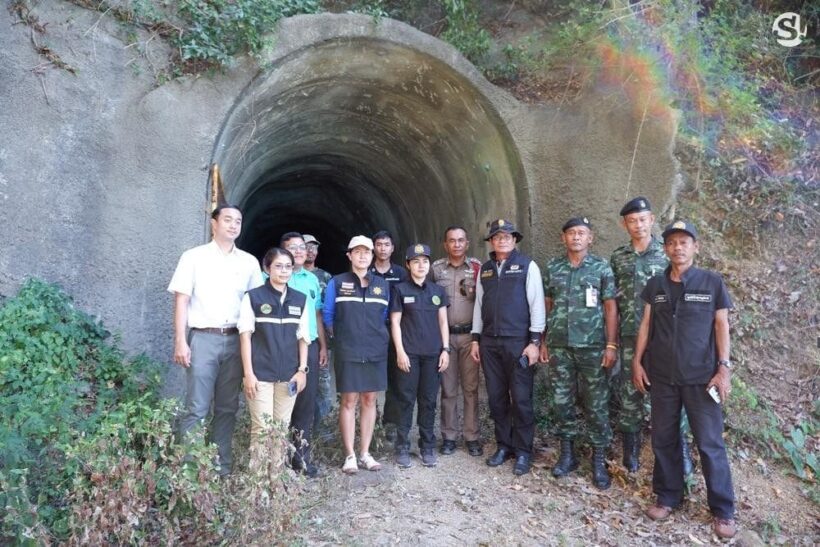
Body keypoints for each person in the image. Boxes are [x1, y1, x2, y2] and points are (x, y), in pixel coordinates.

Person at [632, 220, 736, 540]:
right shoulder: (656, 284)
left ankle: (723, 510)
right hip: (662, 376)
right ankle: (667, 496)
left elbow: (721, 327)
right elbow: (646, 325)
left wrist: (723, 368)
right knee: (663, 438)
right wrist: (637, 361)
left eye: (684, 242)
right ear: (665, 248)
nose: (678, 247)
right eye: (672, 242)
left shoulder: (711, 283)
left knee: (709, 443)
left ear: (695, 247)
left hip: (701, 378)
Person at [167, 204, 263, 476]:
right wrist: (180, 341)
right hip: (203, 339)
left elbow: (255, 304)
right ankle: (191, 471)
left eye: (238, 221)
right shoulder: (194, 257)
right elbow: (182, 300)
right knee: (196, 407)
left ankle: (221, 468)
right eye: (228, 220)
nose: (233, 225)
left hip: (235, 340)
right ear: (214, 223)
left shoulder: (249, 262)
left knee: (227, 407)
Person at [610, 197, 693, 474]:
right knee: (629, 391)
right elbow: (612, 300)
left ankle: (679, 449)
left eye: (642, 219)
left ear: (652, 220)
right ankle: (630, 450)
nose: (638, 225)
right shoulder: (618, 256)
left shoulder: (666, 253)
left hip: (664, 338)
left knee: (670, 392)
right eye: (632, 221)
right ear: (625, 224)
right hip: (630, 335)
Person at [541, 216, 617, 489]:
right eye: (571, 233)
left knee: (596, 403)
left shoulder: (601, 268)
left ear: (590, 238)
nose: (575, 237)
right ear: (563, 238)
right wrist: (544, 340)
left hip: (593, 348)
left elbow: (610, 307)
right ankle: (568, 453)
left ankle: (598, 459)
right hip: (560, 346)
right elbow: (547, 305)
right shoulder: (553, 268)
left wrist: (611, 344)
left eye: (581, 233)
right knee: (562, 401)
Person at [470, 219, 545, 476]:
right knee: (497, 398)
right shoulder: (486, 270)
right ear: (491, 241)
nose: (502, 240)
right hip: (490, 343)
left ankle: (524, 451)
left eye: (507, 236)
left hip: (518, 342)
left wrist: (535, 342)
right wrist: (475, 339)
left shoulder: (527, 266)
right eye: (497, 237)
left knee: (522, 399)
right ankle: (504, 445)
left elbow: (537, 304)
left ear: (515, 240)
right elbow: (479, 306)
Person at [323, 235, 390, 474]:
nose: (362, 256)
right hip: (348, 349)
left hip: (374, 349)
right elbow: (328, 315)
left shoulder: (382, 284)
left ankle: (365, 453)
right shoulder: (337, 283)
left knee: (370, 399)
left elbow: (383, 317)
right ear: (349, 255)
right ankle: (350, 455)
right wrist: (342, 338)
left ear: (372, 256)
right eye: (357, 251)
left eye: (367, 252)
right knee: (349, 400)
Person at [238, 247, 309, 470]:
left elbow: (304, 338)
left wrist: (302, 370)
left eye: (288, 266)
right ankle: (258, 483)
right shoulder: (254, 297)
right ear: (266, 268)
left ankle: (275, 479)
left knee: (280, 428)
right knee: (261, 428)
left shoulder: (300, 299)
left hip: (288, 375)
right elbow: (245, 336)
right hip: (260, 375)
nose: (284, 271)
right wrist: (248, 374)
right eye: (278, 266)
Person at [389, 244, 450, 468]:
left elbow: (443, 322)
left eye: (425, 261)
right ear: (408, 265)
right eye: (416, 261)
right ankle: (403, 446)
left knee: (428, 401)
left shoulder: (437, 292)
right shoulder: (400, 290)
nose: (421, 265)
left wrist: (445, 349)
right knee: (405, 400)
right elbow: (395, 323)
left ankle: (427, 447)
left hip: (433, 355)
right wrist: (400, 352)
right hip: (409, 355)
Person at [431, 226, 483, 457]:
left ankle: (471, 436)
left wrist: (479, 338)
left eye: (461, 240)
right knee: (448, 389)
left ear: (467, 243)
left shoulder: (476, 268)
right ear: (445, 244)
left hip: (470, 336)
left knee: (471, 389)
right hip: (445, 337)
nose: (457, 244)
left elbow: (484, 302)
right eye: (452, 241)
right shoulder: (436, 269)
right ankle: (449, 436)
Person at [280, 232, 328, 478]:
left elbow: (318, 315)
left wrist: (322, 345)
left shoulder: (311, 280)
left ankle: (301, 459)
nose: (299, 251)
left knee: (306, 403)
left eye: (302, 247)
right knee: (280, 403)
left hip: (307, 345)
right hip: (281, 346)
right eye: (293, 247)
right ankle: (277, 460)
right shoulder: (272, 276)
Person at [369, 230, 409, 441]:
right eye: (379, 244)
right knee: (371, 377)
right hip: (372, 332)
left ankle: (391, 422)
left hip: (395, 331)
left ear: (393, 248)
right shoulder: (366, 272)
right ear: (373, 247)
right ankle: (371, 420)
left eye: (387, 244)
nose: (383, 248)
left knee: (396, 377)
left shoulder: (401, 273)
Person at [303, 234, 335, 435]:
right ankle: (298, 430)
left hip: (321, 338)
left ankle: (322, 430)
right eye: (306, 247)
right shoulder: (289, 273)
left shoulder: (325, 277)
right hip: (296, 339)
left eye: (314, 247)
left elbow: (329, 309)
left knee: (323, 386)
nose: (311, 251)